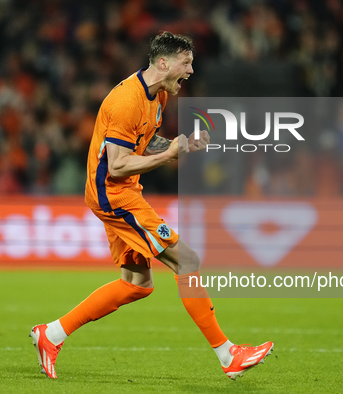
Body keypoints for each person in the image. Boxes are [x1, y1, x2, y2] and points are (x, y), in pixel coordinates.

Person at [30, 31, 273, 381]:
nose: (191, 70)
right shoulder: (126, 101)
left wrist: (180, 145)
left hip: (121, 191)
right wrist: (169, 156)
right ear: (163, 62)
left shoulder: (156, 94)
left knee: (137, 283)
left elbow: (145, 141)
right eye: (185, 62)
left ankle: (50, 335)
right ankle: (227, 354)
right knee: (187, 260)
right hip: (113, 195)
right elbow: (116, 164)